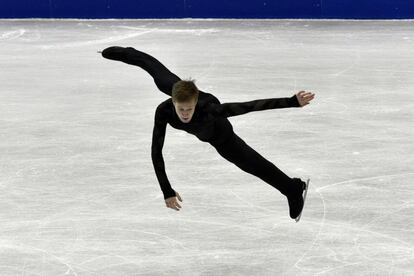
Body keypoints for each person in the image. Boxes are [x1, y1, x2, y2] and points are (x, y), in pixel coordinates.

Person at [100, 46, 315, 221]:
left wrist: (292, 102)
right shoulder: (164, 110)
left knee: (251, 164)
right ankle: (292, 187)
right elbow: (147, 63)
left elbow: (251, 106)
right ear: (173, 101)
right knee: (161, 76)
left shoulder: (209, 110)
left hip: (219, 135)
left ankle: (292, 188)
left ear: (194, 103)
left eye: (188, 109)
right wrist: (117, 53)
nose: (184, 114)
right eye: (180, 109)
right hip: (188, 105)